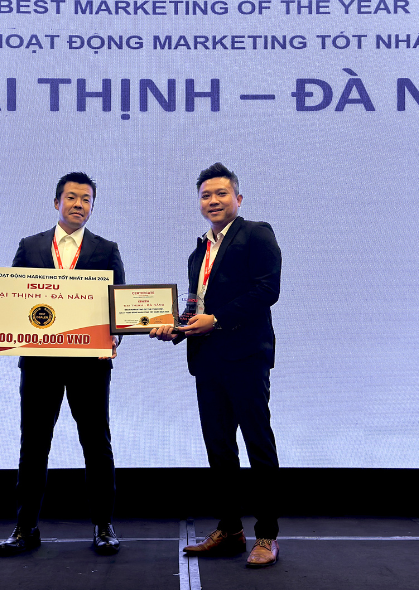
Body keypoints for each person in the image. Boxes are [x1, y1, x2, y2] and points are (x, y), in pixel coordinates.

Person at [0, 171, 125, 557]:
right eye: (71, 197)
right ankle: (25, 528)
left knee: (96, 443)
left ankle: (104, 526)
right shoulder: (30, 246)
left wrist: (115, 337)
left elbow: (119, 308)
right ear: (57, 202)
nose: (78, 205)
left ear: (92, 207)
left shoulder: (107, 249)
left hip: (89, 365)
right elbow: (9, 297)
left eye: (86, 199)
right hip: (39, 364)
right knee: (34, 445)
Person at [150, 163, 283, 568]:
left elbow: (267, 290)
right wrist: (175, 329)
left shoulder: (256, 233)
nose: (213, 200)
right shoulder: (199, 252)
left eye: (221, 193)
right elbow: (197, 307)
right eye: (206, 195)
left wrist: (218, 319)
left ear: (238, 199)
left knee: (258, 445)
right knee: (220, 449)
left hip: (246, 358)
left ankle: (267, 535)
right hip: (207, 361)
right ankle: (230, 530)